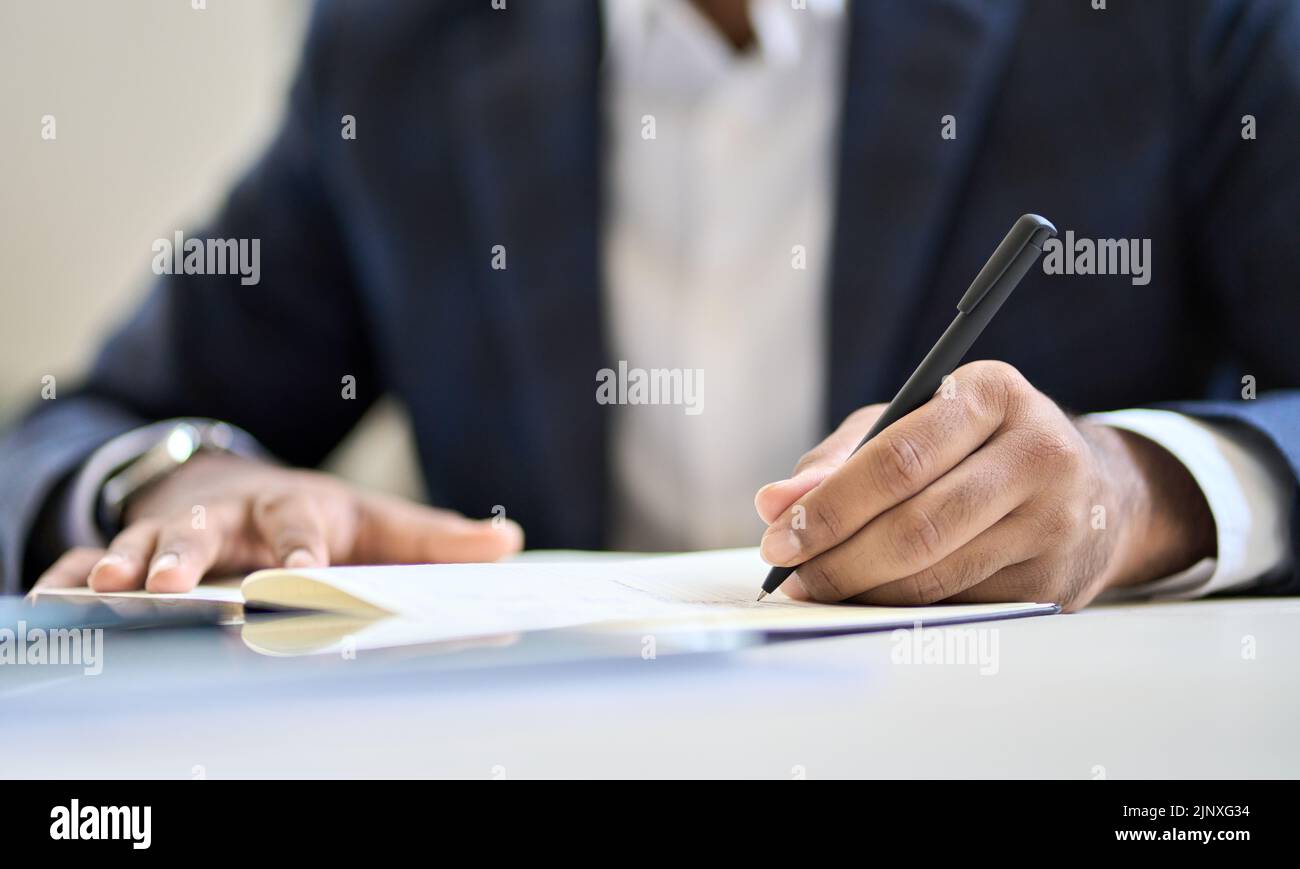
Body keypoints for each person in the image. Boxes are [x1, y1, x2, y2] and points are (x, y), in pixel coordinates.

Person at [2, 0, 1297, 611]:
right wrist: (170, 483)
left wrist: (1143, 494)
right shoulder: (400, 49)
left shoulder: (1172, 25)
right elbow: (78, 427)